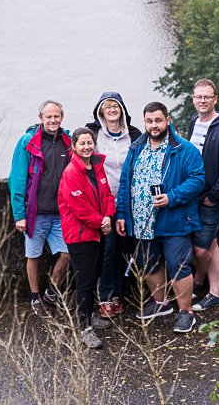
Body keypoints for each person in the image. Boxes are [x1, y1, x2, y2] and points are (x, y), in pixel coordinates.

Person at [116, 102, 205, 333]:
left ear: (168, 120)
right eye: (149, 121)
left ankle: (186, 312)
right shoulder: (136, 148)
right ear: (144, 122)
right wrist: (122, 214)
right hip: (141, 221)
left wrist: (171, 197)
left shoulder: (184, 149)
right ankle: (161, 303)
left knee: (178, 266)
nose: (154, 125)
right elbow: (125, 183)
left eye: (158, 120)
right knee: (148, 263)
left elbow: (197, 180)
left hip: (174, 220)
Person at [8, 100, 71, 318]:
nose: (53, 120)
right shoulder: (28, 142)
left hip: (61, 212)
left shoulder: (67, 142)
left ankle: (51, 293)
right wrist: (19, 215)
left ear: (62, 117)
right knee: (33, 255)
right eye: (48, 117)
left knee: (67, 253)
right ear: (40, 118)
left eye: (56, 116)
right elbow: (17, 179)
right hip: (35, 213)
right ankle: (35, 298)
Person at [58, 127, 115, 349]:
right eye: (82, 143)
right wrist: (102, 222)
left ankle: (91, 316)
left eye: (89, 143)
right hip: (81, 235)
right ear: (74, 146)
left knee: (94, 277)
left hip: (98, 230)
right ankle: (84, 327)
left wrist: (108, 216)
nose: (87, 147)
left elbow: (107, 195)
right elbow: (78, 208)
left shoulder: (97, 167)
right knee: (84, 282)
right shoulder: (71, 172)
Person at [86, 91, 141, 318]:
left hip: (129, 201)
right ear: (100, 111)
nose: (111, 110)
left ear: (122, 110)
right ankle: (106, 296)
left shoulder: (135, 135)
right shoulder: (94, 134)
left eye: (115, 106)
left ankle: (121, 293)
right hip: (104, 203)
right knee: (108, 250)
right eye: (106, 106)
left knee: (125, 249)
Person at [188, 78, 219, 312]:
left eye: (207, 96)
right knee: (212, 243)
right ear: (193, 99)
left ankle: (211, 288)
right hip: (193, 196)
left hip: (211, 198)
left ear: (215, 99)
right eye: (198, 96)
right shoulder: (193, 122)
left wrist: (214, 196)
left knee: (201, 248)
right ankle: (208, 287)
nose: (202, 100)